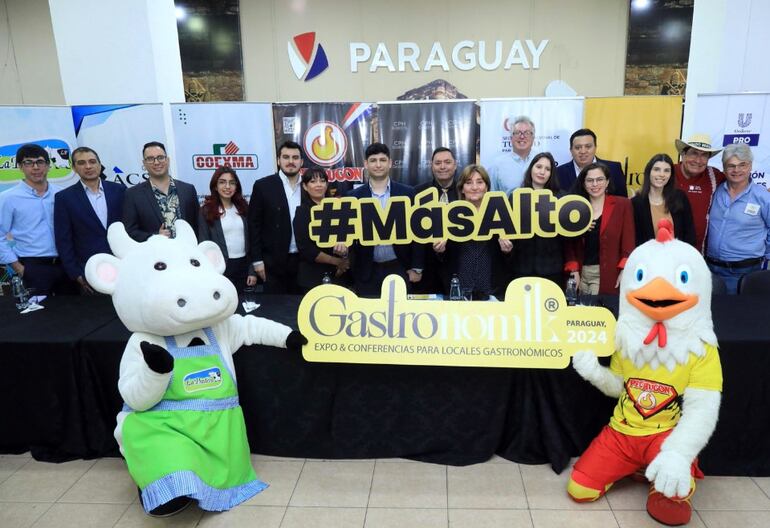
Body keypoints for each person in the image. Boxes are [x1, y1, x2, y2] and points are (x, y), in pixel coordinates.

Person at [346, 143, 423, 296]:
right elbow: (347, 233)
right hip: (366, 270)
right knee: (367, 316)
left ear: (390, 162)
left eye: (382, 160)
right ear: (366, 164)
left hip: (400, 267)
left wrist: (417, 267)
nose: (378, 164)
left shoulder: (408, 193)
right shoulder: (353, 197)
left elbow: (418, 233)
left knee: (400, 317)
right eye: (373, 160)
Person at [0, 144, 73, 296]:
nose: (35, 167)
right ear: (20, 167)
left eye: (40, 162)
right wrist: (18, 268)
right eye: (28, 163)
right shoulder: (8, 198)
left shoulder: (62, 194)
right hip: (33, 267)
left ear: (48, 166)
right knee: (39, 317)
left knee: (74, 314)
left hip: (66, 264)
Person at [53, 147, 126, 294]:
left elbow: (129, 228)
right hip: (89, 271)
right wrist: (75, 273)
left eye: (92, 162)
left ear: (99, 165)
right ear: (74, 168)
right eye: (81, 163)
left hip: (122, 266)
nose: (88, 166)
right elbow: (63, 239)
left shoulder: (120, 190)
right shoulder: (64, 198)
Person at [433, 165, 511, 299]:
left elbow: (509, 257)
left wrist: (507, 251)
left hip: (491, 290)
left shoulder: (500, 212)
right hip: (458, 289)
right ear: (462, 188)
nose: (475, 187)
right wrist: (440, 251)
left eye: (480, 182)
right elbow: (442, 259)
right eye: (469, 183)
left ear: (486, 187)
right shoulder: (449, 214)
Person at [705, 144, 770, 294]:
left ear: (750, 166)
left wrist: (761, 252)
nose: (737, 170)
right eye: (731, 166)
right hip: (711, 269)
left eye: (742, 165)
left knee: (737, 315)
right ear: (723, 168)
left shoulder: (763, 197)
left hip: (745, 272)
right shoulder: (716, 190)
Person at [565, 162, 635, 295]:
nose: (595, 184)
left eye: (600, 179)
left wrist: (624, 270)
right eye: (590, 180)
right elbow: (569, 243)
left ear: (607, 182)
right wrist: (573, 270)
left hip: (608, 273)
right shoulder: (576, 208)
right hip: (580, 273)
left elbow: (628, 242)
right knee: (579, 314)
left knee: (601, 314)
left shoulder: (622, 205)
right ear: (584, 184)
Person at [247, 141, 304, 294]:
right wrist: (257, 261)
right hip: (272, 262)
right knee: (276, 310)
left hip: (305, 261)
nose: (291, 161)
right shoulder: (263, 186)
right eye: (286, 157)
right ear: (278, 160)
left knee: (303, 308)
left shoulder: (309, 185)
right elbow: (254, 225)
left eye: (295, 157)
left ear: (301, 161)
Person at [508, 152, 566, 287]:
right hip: (521, 267)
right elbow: (508, 229)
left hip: (552, 268)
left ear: (551, 173)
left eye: (547, 169)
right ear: (531, 169)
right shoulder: (516, 195)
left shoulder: (561, 198)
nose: (542, 172)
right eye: (538, 166)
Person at [122, 141, 199, 241]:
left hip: (187, 252)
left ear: (167, 160)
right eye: (150, 159)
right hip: (155, 254)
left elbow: (198, 226)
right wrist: (154, 237)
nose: (156, 162)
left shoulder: (188, 190)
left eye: (160, 157)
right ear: (144, 164)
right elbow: (130, 231)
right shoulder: (133, 194)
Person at [197, 167, 256, 289]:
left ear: (236, 186)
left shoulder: (244, 208)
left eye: (232, 182)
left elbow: (252, 241)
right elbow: (204, 244)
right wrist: (212, 272)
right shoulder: (206, 211)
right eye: (222, 182)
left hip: (243, 267)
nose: (227, 186)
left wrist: (252, 271)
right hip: (220, 268)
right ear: (215, 186)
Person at [293, 168, 350, 292]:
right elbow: (306, 249)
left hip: (339, 277)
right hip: (312, 278)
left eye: (322, 181)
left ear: (327, 184)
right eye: (313, 181)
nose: (318, 185)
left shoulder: (338, 208)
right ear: (305, 186)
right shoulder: (302, 212)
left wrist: (345, 255)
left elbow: (350, 237)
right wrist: (336, 261)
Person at [413, 147, 459, 294]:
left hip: (458, 267)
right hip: (426, 270)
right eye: (438, 163)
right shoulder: (418, 192)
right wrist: (416, 267)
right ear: (431, 166)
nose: (443, 166)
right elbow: (411, 234)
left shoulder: (465, 192)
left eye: (447, 162)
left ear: (455, 165)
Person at [673, 133, 725, 253]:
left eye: (704, 155)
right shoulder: (668, 172)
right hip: (667, 249)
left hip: (699, 253)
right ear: (683, 154)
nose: (698, 160)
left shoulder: (715, 175)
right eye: (694, 153)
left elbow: (739, 183)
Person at [631, 153, 696, 247]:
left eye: (666, 171)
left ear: (671, 175)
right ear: (649, 172)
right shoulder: (636, 203)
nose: (661, 174)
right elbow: (635, 240)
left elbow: (690, 235)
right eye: (657, 169)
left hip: (677, 259)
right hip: (648, 259)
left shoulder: (680, 197)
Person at [557, 129, 627, 197]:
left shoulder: (614, 169)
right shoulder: (558, 173)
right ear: (571, 150)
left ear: (595, 147)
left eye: (588, 146)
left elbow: (622, 202)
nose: (583, 151)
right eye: (578, 147)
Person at [487, 116, 536, 195]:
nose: (522, 136)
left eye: (527, 133)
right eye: (517, 133)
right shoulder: (496, 165)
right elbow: (491, 198)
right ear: (510, 138)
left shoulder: (541, 162)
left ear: (533, 138)